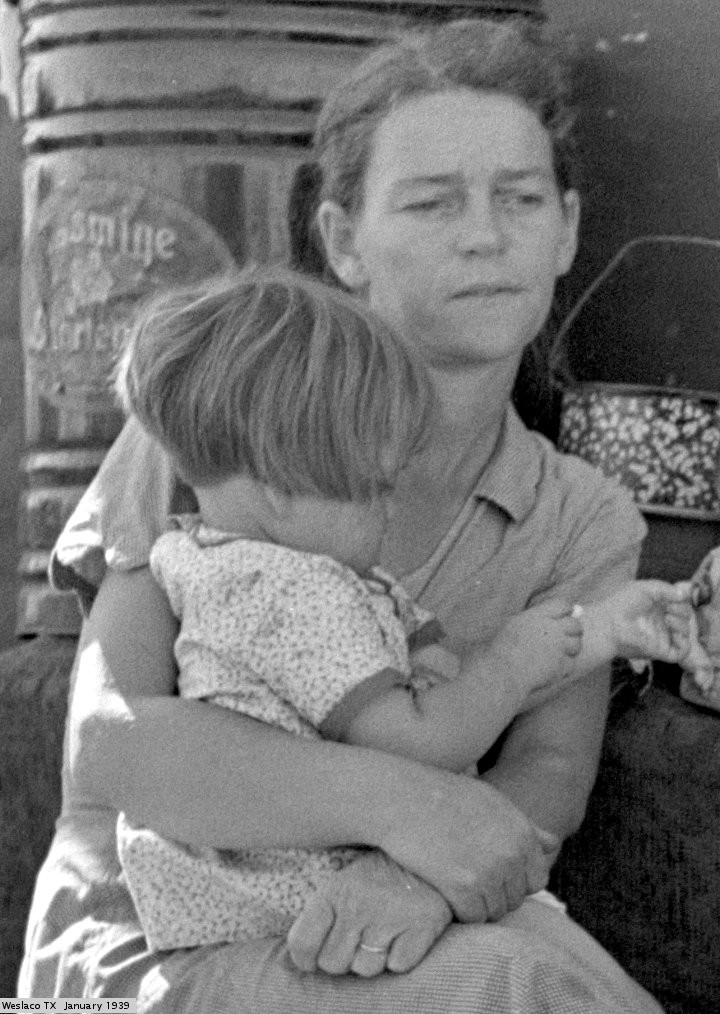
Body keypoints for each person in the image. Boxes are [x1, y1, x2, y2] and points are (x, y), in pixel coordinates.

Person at [20, 16, 672, 1012]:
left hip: (388, 936)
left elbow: (546, 772)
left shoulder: (582, 517)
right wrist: (405, 806)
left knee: (527, 974)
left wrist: (415, 878)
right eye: (431, 201)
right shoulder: (222, 427)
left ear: (569, 228)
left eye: (520, 197)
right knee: (520, 981)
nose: (485, 235)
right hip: (144, 944)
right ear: (341, 241)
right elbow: (114, 743)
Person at [111, 265, 690, 953]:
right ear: (277, 489)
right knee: (550, 965)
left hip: (316, 885)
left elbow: (444, 687)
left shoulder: (228, 560)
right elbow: (422, 739)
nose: (391, 509)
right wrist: (507, 664)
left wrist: (602, 631)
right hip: (299, 897)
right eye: (376, 488)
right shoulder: (287, 595)